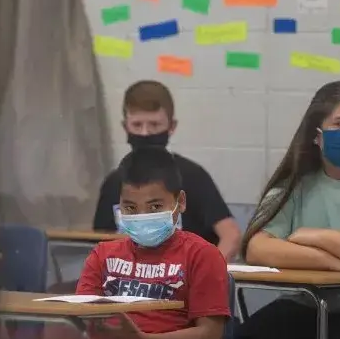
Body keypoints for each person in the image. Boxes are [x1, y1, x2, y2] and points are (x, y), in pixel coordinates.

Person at [237, 81, 340, 339]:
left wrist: (313, 236)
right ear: (317, 135)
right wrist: (335, 264)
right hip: (303, 307)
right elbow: (257, 247)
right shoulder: (293, 187)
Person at [77, 146, 231, 339]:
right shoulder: (102, 255)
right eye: (130, 208)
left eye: (155, 207)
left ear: (180, 202)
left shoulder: (202, 255)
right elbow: (81, 318)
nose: (142, 217)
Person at [93, 80, 241, 261]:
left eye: (155, 125)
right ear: (125, 127)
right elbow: (100, 242)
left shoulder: (193, 175)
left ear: (172, 127)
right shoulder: (113, 183)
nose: (145, 133)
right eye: (137, 125)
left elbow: (231, 235)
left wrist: (207, 270)